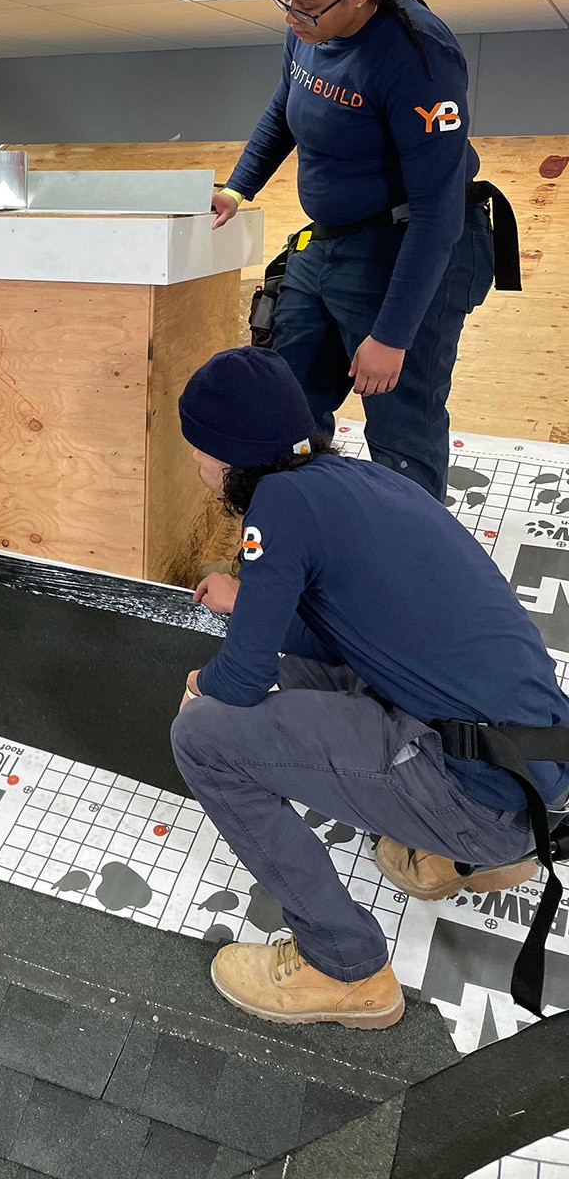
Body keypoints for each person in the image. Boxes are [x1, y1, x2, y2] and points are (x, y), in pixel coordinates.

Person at [170, 346, 569, 1030]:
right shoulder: (358, 479)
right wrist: (251, 597)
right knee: (308, 676)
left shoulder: (277, 504)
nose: (199, 470)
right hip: (536, 771)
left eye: (199, 453)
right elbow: (351, 630)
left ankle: (343, 964)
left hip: (481, 795)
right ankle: (466, 857)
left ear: (227, 458)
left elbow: (239, 682)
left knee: (202, 735)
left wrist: (202, 683)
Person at [211, 0, 509, 502]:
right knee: (284, 400)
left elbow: (437, 213)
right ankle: (292, 544)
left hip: (410, 246)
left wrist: (393, 335)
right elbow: (285, 108)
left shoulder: (420, 59)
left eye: (307, 5)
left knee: (402, 426)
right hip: (330, 242)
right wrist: (238, 186)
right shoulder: (307, 30)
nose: (292, 16)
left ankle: (408, 574)